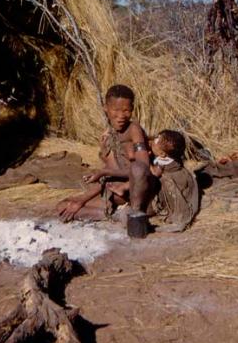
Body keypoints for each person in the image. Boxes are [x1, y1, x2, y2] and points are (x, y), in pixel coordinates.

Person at [56, 84, 155, 223]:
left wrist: (103, 174)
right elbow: (111, 171)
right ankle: (117, 216)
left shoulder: (134, 129)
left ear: (132, 110)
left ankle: (134, 211)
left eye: (126, 111)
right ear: (106, 108)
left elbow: (142, 169)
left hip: (133, 191)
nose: (121, 116)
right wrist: (82, 199)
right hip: (114, 189)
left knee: (74, 204)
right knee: (63, 206)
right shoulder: (110, 135)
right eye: (116, 110)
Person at [148, 130, 200, 233]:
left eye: (157, 140)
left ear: (162, 153)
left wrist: (148, 162)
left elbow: (155, 173)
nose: (154, 140)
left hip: (173, 183)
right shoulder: (173, 157)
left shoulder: (163, 162)